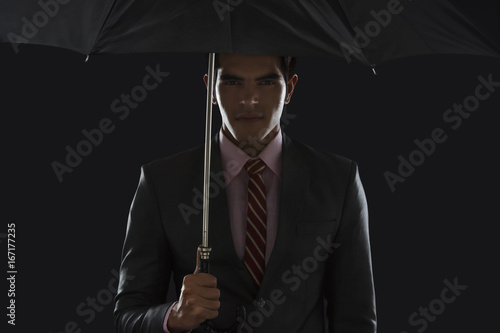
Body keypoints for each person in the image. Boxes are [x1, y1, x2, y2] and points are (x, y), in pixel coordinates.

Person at [113, 53, 377, 333]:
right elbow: (128, 316)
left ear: (291, 88)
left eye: (266, 82)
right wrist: (174, 317)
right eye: (232, 83)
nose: (249, 99)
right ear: (209, 89)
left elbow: (356, 318)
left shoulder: (337, 179)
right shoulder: (162, 181)